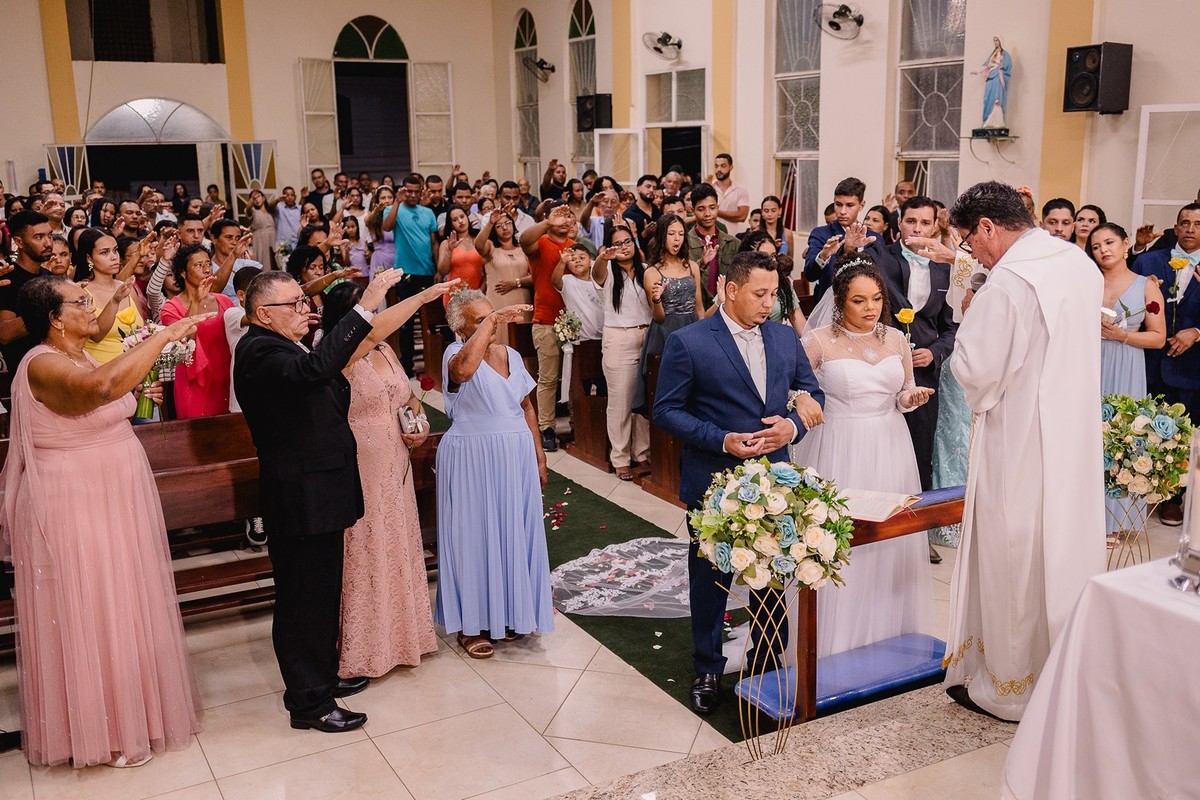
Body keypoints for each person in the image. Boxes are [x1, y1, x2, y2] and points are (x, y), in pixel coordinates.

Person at [3, 276, 205, 766]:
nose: (90, 305)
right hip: (73, 497)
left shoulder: (81, 353)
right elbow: (101, 389)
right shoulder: (41, 364)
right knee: (90, 604)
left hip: (114, 493)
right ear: (54, 317)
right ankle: (100, 732)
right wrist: (161, 337)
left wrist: (145, 387)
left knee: (123, 599)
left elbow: (111, 392)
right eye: (79, 301)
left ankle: (137, 714)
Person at [942, 181, 1104, 722]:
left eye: (970, 241)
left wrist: (970, 312)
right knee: (1061, 550)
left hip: (1020, 439)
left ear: (988, 226)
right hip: (1072, 435)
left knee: (1012, 553)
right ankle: (1063, 671)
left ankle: (1009, 688)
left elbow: (975, 368)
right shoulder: (1077, 262)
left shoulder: (1009, 281)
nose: (972, 252)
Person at [233, 267, 408, 733]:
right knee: (303, 598)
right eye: (294, 304)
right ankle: (309, 702)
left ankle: (322, 679)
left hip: (321, 487)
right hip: (299, 493)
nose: (305, 309)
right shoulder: (258, 351)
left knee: (322, 591)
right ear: (262, 313)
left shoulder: (284, 343)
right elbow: (314, 371)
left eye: (304, 301)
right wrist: (365, 305)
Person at [653, 250, 824, 715]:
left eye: (774, 293)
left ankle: (766, 663)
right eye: (760, 293)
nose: (770, 303)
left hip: (776, 479)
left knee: (773, 576)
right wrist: (722, 440)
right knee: (712, 578)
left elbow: (812, 392)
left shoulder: (786, 338)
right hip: (713, 482)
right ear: (730, 289)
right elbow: (665, 410)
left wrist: (793, 427)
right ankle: (707, 667)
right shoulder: (689, 342)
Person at [792, 257, 935, 656]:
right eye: (859, 300)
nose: (870, 307)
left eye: (876, 298)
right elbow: (798, 388)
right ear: (840, 302)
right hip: (841, 443)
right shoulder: (818, 341)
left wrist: (912, 398)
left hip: (891, 443)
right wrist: (802, 399)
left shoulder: (895, 338)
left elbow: (903, 392)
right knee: (844, 537)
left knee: (889, 537)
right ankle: (834, 640)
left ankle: (888, 631)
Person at [321, 279, 457, 678]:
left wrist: (417, 420)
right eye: (370, 308)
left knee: (397, 539)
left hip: (396, 456)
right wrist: (421, 298)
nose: (378, 316)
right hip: (361, 456)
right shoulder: (340, 352)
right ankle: (366, 647)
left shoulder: (384, 349)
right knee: (367, 544)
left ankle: (404, 636)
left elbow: (407, 396)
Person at [436, 290, 552, 659]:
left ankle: (514, 614)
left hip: (515, 452)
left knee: (513, 532)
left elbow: (527, 406)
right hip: (472, 454)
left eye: (494, 315)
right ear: (460, 327)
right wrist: (490, 324)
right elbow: (464, 373)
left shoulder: (512, 355)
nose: (495, 322)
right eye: (482, 318)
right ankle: (471, 626)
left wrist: (539, 457)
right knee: (474, 536)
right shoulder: (454, 355)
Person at [876, 197, 959, 495]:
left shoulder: (946, 268)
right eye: (911, 221)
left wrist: (935, 352)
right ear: (899, 223)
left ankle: (915, 520)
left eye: (925, 222)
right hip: (881, 368)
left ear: (936, 227)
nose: (917, 228)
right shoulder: (880, 258)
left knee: (920, 448)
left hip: (924, 374)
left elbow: (952, 327)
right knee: (882, 447)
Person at [1092, 222, 1166, 541]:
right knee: (1087, 440)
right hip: (1088, 364)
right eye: (1096, 246)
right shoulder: (1087, 283)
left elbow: (1159, 337)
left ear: (1125, 245)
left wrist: (1122, 335)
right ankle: (1087, 518)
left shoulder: (1147, 285)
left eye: (1109, 242)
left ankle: (1116, 521)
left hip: (1127, 365)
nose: (1103, 250)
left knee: (1121, 441)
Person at [1131, 202, 1200, 527]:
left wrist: (1197, 331)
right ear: (1175, 226)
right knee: (1143, 428)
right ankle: (1136, 490)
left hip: (1191, 367)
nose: (1190, 229)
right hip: (1148, 360)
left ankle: (1173, 499)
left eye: (1198, 224)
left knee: (1182, 435)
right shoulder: (1149, 261)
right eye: (1184, 222)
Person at [593, 223, 653, 480]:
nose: (623, 247)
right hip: (619, 337)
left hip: (647, 335)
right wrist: (602, 257)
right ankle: (620, 458)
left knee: (642, 399)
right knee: (621, 402)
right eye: (617, 243)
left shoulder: (647, 271)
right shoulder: (606, 270)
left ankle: (642, 453)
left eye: (627, 241)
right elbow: (595, 274)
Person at [634, 213, 707, 415]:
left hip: (692, 327)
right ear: (661, 237)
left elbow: (699, 306)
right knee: (667, 389)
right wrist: (657, 299)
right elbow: (658, 316)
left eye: (681, 234)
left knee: (697, 388)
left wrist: (705, 334)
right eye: (671, 234)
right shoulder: (652, 272)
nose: (677, 239)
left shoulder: (692, 266)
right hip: (666, 332)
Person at [519, 201, 577, 452]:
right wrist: (547, 222)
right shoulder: (541, 242)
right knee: (549, 378)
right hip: (546, 320)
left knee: (575, 377)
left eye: (567, 216)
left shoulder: (575, 247)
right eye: (558, 216)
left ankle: (578, 423)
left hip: (574, 321)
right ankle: (547, 428)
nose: (564, 220)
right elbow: (523, 240)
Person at [160, 244, 235, 417]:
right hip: (193, 384)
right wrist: (196, 302)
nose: (206, 269)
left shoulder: (224, 300)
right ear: (183, 273)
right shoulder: (170, 308)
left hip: (225, 379)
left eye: (208, 264)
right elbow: (184, 342)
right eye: (198, 265)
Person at [381, 175, 438, 374]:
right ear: (403, 190)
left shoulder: (428, 213)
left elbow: (433, 242)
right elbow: (386, 227)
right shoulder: (393, 209)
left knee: (431, 320)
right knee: (405, 320)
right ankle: (407, 365)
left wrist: (438, 268)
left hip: (427, 271)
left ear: (421, 190)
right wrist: (397, 201)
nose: (412, 195)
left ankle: (434, 362)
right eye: (409, 191)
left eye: (416, 191)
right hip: (405, 272)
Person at [804, 177, 890, 302]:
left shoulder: (875, 238)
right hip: (830, 306)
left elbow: (882, 279)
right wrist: (823, 256)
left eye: (850, 205)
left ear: (861, 205)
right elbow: (810, 275)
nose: (842, 211)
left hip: (867, 307)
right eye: (838, 204)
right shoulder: (821, 234)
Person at [74, 229, 147, 365]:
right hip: (100, 371)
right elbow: (96, 335)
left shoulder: (126, 287)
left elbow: (141, 332)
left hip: (134, 369)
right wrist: (115, 301)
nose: (114, 257)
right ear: (89, 258)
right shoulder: (81, 290)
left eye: (115, 250)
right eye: (104, 252)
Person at [0, 211, 54, 371]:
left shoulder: (49, 276)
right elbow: (4, 334)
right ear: (19, 242)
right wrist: (52, 311)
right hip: (25, 372)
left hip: (54, 366)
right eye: (39, 237)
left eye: (50, 235)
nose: (48, 243)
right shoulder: (8, 279)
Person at [739, 231, 806, 331]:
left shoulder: (783, 285)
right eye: (764, 256)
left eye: (773, 255)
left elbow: (800, 324)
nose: (771, 261)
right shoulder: (738, 280)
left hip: (775, 340)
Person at [687, 183, 739, 305]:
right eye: (701, 209)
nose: (707, 214)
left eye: (712, 207)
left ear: (718, 207)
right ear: (692, 210)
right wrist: (702, 264)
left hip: (727, 308)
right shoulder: (684, 244)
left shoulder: (733, 243)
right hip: (696, 309)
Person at [437, 207, 483, 305]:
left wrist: (480, 292)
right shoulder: (446, 243)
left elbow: (488, 269)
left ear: (467, 217)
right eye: (455, 220)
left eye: (462, 216)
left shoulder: (478, 241)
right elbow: (442, 271)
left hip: (479, 293)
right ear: (451, 224)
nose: (460, 221)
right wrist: (449, 250)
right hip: (454, 295)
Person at [974, 37, 1012, 129]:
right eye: (994, 41)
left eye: (997, 40)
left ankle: (995, 122)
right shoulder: (993, 54)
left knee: (997, 98)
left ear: (1001, 41)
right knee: (987, 98)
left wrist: (1000, 67)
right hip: (990, 76)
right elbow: (986, 65)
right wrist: (977, 71)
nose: (995, 42)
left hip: (998, 76)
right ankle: (986, 120)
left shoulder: (1005, 54)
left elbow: (1008, 66)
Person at [711, 153, 750, 235]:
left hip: (732, 237)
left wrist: (716, 211)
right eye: (716, 166)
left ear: (731, 167)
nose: (719, 169)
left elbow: (742, 216)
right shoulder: (709, 187)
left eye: (723, 166)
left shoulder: (741, 190)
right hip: (711, 237)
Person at [364, 185, 397, 279]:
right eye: (383, 198)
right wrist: (376, 210)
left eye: (390, 197)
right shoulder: (374, 218)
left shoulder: (398, 215)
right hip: (380, 260)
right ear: (377, 200)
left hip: (397, 259)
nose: (387, 200)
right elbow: (367, 221)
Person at [240, 189, 277, 268]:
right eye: (254, 198)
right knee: (264, 261)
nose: (256, 199)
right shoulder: (253, 211)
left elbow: (273, 204)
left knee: (275, 261)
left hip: (272, 238)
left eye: (258, 196)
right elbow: (248, 209)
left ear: (263, 197)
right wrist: (251, 200)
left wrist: (279, 199)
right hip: (260, 239)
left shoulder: (269, 210)